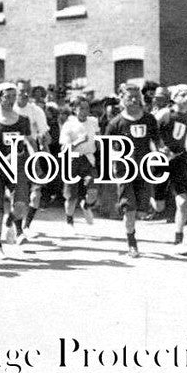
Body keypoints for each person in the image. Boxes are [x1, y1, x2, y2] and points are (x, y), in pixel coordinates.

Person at [104, 82, 162, 258]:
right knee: (129, 208)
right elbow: (106, 148)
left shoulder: (149, 119)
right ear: (122, 99)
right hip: (125, 171)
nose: (135, 100)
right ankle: (132, 243)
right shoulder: (115, 123)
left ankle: (141, 209)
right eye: (130, 97)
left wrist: (161, 154)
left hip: (144, 170)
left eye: (138, 97)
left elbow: (156, 141)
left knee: (141, 211)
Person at [0, 82, 35, 256]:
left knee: (20, 207)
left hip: (17, 169)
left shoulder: (23, 120)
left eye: (13, 96)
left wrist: (36, 161)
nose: (11, 100)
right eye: (7, 96)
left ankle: (11, 222)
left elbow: (29, 141)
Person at [154, 84, 187, 252]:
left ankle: (179, 240)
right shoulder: (165, 113)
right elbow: (151, 132)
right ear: (174, 97)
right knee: (159, 206)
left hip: (178, 159)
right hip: (161, 160)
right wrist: (160, 148)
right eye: (183, 95)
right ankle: (150, 192)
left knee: (182, 201)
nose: (186, 99)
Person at [14, 80, 49, 233]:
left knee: (35, 194)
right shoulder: (8, 109)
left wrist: (44, 139)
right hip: (11, 153)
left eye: (28, 91)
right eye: (22, 91)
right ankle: (16, 227)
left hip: (31, 152)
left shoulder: (36, 111)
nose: (25, 94)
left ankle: (26, 226)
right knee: (17, 195)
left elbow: (44, 134)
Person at [60, 95, 99, 228]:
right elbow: (64, 148)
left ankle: (86, 205)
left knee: (93, 192)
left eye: (87, 108)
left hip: (88, 160)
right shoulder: (68, 125)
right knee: (71, 197)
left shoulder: (93, 121)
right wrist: (78, 141)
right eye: (81, 108)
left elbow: (98, 138)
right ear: (74, 109)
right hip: (72, 161)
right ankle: (69, 220)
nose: (85, 111)